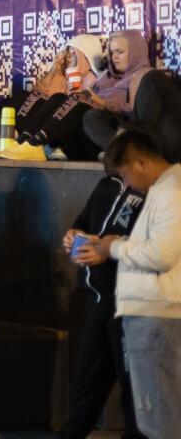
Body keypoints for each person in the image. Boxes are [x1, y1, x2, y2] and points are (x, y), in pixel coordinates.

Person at [80, 131, 181, 438]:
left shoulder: (172, 192)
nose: (127, 184)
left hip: (157, 317)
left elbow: (161, 254)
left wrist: (113, 247)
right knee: (152, 414)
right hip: (148, 315)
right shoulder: (165, 190)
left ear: (140, 162)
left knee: (157, 416)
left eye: (125, 175)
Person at [57, 156, 146, 439]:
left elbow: (154, 250)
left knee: (133, 390)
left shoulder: (157, 194)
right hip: (99, 298)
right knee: (88, 382)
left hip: (133, 301)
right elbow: (82, 222)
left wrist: (107, 250)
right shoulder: (107, 184)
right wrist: (74, 235)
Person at [82, 30, 153, 151]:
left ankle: (123, 152)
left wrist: (103, 103)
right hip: (92, 135)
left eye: (119, 52)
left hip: (121, 127)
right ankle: (46, 144)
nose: (114, 57)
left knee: (91, 116)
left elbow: (140, 115)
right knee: (60, 99)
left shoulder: (146, 76)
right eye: (111, 52)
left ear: (135, 52)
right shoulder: (105, 76)